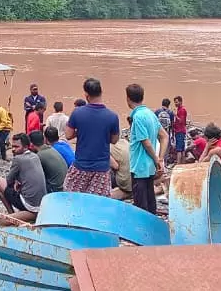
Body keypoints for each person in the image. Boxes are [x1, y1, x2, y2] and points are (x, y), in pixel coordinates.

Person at [64, 78, 120, 196]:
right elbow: (114, 140)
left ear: (86, 95)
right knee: (97, 203)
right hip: (102, 169)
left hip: (81, 167)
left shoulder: (77, 113)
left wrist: (81, 130)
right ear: (101, 92)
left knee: (72, 199)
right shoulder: (112, 116)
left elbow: (68, 135)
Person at [125, 84, 166, 213]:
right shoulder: (150, 114)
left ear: (128, 99)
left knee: (141, 204)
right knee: (150, 199)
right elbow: (164, 136)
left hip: (139, 166)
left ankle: (142, 230)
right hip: (149, 167)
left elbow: (146, 142)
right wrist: (160, 158)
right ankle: (152, 227)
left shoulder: (137, 117)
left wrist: (157, 160)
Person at [0, 133, 47, 221]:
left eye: (17, 147)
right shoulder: (35, 156)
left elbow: (8, 180)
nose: (13, 150)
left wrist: (15, 181)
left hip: (30, 206)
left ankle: (11, 213)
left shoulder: (18, 159)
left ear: (26, 147)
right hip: (41, 204)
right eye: (12, 147)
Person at [32, 129, 67, 194]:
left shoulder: (39, 155)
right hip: (65, 186)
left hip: (55, 190)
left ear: (31, 144)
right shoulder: (51, 149)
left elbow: (35, 177)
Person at [170, 96, 189, 164]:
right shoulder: (179, 109)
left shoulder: (182, 110)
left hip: (180, 131)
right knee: (182, 148)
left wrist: (175, 115)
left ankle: (178, 164)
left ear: (180, 102)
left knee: (179, 149)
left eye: (176, 102)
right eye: (175, 102)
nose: (175, 103)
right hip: (179, 130)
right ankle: (183, 163)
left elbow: (182, 121)